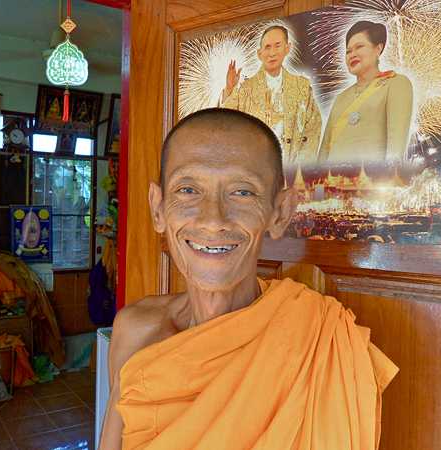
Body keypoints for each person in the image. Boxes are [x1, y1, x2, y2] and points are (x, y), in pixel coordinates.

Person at [98, 108, 397, 450]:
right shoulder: (135, 329)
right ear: (157, 208)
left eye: (242, 192)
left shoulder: (318, 339)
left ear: (280, 212)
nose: (213, 221)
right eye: (187, 189)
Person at [219, 25, 322, 166]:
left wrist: (301, 169)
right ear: (260, 54)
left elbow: (313, 128)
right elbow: (226, 123)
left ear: (287, 48)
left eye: (277, 46)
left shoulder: (301, 87)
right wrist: (229, 89)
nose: (272, 53)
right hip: (255, 167)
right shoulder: (246, 89)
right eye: (267, 48)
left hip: (291, 169)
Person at [317, 21, 413, 166]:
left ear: (378, 49)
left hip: (369, 181)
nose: (352, 54)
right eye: (348, 51)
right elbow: (324, 152)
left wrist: (388, 180)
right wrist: (317, 185)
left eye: (359, 47)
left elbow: (396, 146)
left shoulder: (395, 84)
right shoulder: (341, 98)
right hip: (332, 182)